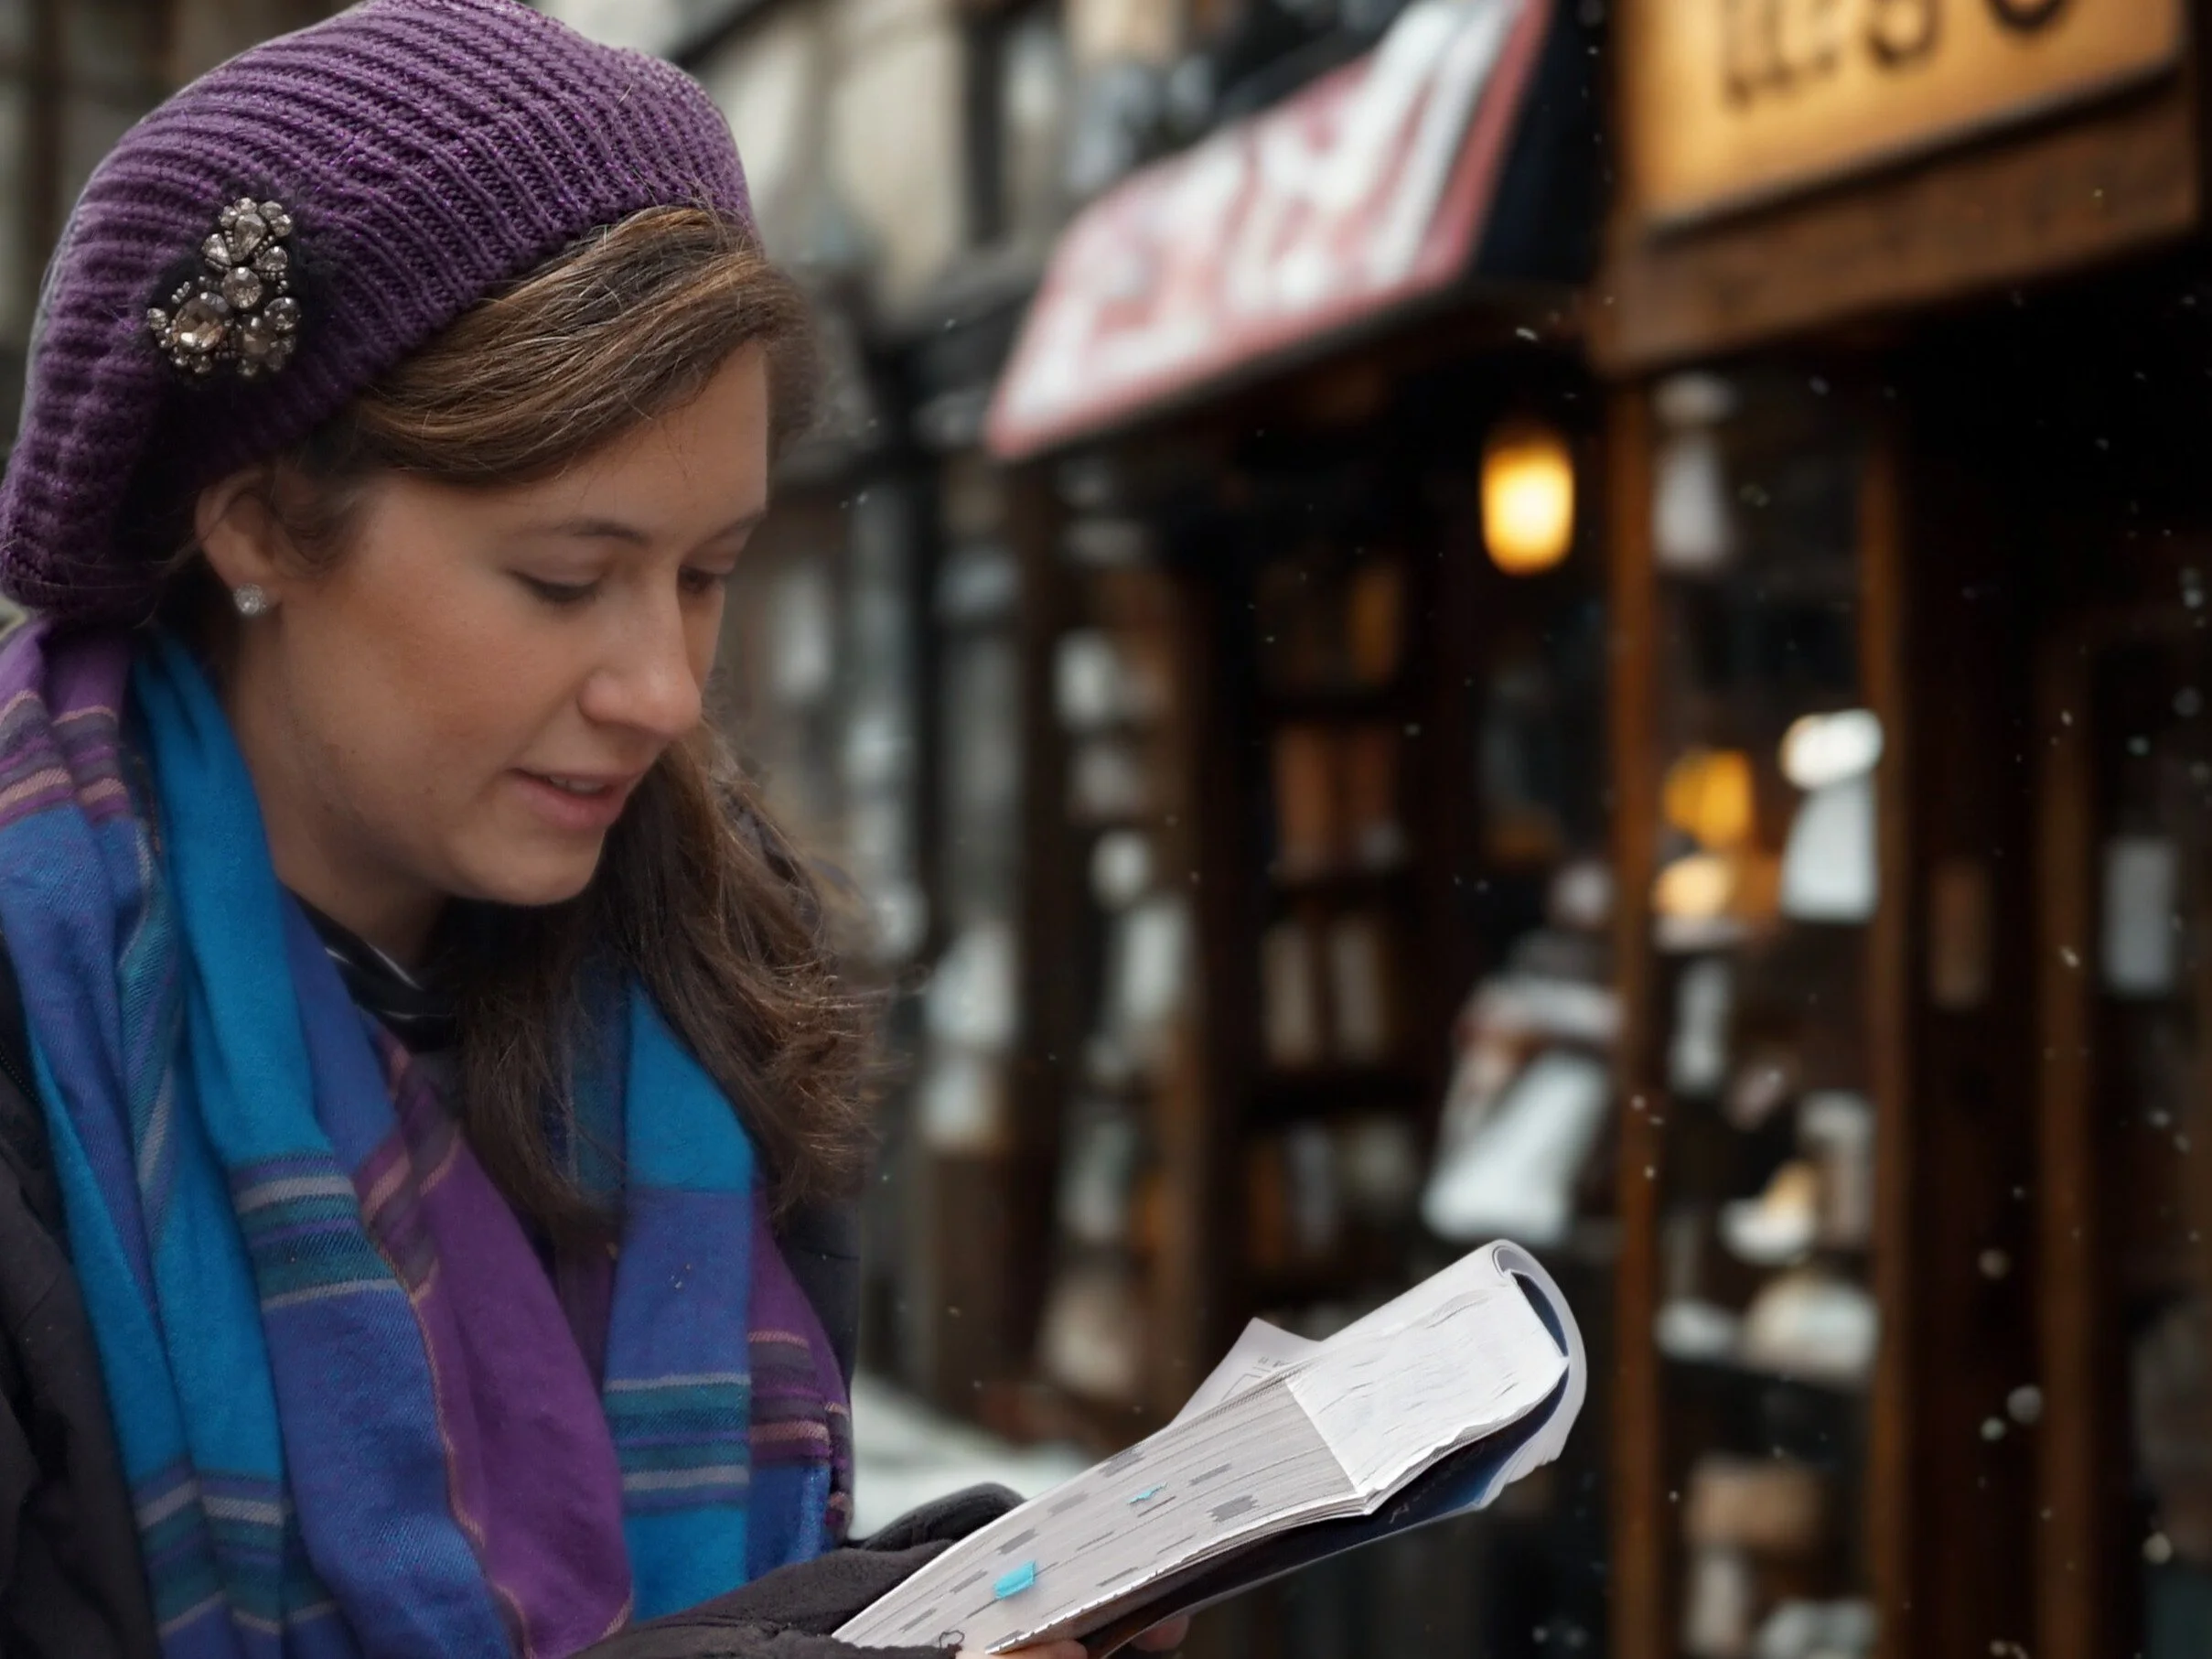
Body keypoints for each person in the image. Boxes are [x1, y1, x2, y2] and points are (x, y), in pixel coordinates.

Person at [0, 5, 1186, 1657]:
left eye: (710, 578)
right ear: (262, 518)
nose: (663, 690)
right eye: (565, 581)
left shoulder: (709, 978)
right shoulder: (31, 1011)